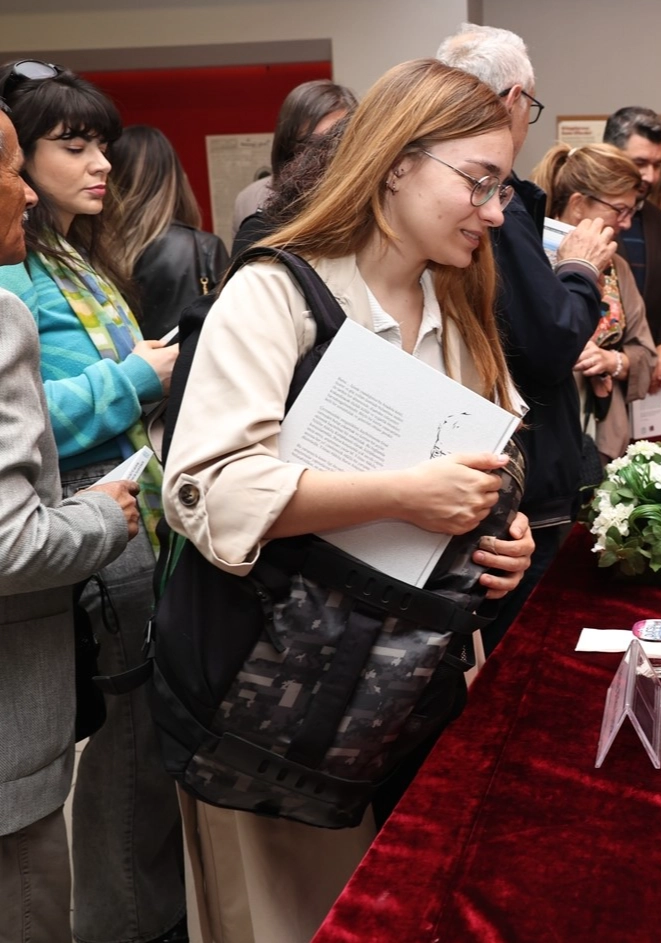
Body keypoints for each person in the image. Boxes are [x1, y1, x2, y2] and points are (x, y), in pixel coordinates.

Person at [160, 58, 535, 942]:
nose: (492, 211)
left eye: (502, 189)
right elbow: (206, 489)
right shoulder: (275, 293)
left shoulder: (461, 298)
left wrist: (500, 532)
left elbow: (486, 467)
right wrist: (405, 494)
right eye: (477, 182)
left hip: (402, 688)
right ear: (396, 162)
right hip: (271, 691)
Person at [0, 60, 188, 943]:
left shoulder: (73, 254)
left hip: (127, 521)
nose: (98, 162)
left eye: (101, 143)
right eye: (70, 145)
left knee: (138, 768)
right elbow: (35, 425)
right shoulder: (17, 275)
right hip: (83, 524)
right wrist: (135, 377)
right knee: (115, 775)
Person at [436, 22, 616, 655]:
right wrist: (581, 269)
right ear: (514, 100)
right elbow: (545, 347)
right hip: (521, 476)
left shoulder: (495, 204)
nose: (483, 211)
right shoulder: (503, 206)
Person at [532, 143, 657, 461]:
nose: (627, 223)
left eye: (632, 211)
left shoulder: (617, 267)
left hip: (604, 438)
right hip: (540, 438)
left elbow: (645, 353)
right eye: (620, 210)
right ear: (577, 204)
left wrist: (612, 361)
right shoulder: (528, 260)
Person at [107, 124, 231, 338]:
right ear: (174, 178)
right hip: (186, 367)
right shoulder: (204, 247)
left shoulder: (93, 250)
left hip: (126, 369)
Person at [603, 106, 661, 392]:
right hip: (596, 372)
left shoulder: (660, 221)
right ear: (610, 152)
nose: (651, 176)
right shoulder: (580, 213)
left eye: (657, 165)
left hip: (648, 372)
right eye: (640, 162)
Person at [230, 78, 356, 249]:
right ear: (288, 146)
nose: (325, 155)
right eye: (311, 143)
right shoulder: (252, 201)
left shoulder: (368, 206)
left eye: (337, 140)